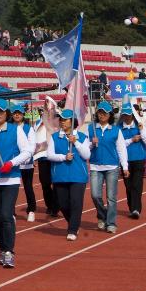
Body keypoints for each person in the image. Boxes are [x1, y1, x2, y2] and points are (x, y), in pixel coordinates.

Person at [0, 99, 30, 269]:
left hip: (10, 179)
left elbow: (27, 151)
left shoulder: (16, 130)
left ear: (7, 113)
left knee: (6, 214)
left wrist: (11, 163)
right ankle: (2, 249)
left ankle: (9, 251)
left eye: (1, 111)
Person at [49, 109, 91, 241]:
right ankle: (73, 222)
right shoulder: (54, 137)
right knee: (63, 204)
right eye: (60, 119)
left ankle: (73, 229)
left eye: (65, 119)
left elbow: (87, 155)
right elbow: (49, 155)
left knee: (76, 202)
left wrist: (76, 142)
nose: (62, 122)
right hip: (60, 176)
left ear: (72, 122)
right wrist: (63, 157)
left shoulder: (82, 137)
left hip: (78, 176)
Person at [87, 101, 123, 233]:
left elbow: (121, 149)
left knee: (111, 197)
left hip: (112, 166)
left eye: (105, 113)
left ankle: (111, 222)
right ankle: (102, 215)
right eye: (100, 112)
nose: (102, 115)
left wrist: (125, 166)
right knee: (95, 195)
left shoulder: (115, 130)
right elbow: (85, 148)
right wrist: (91, 143)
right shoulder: (91, 128)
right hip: (96, 166)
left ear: (110, 115)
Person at [117, 103, 146, 219]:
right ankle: (132, 207)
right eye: (124, 114)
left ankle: (136, 209)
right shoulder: (119, 128)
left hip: (139, 158)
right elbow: (119, 145)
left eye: (129, 114)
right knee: (128, 186)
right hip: (125, 160)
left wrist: (142, 131)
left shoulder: (139, 125)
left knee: (137, 185)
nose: (127, 117)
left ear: (132, 115)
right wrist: (131, 140)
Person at [9, 104, 38, 222]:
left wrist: (26, 158)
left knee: (27, 187)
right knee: (11, 189)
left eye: (19, 113)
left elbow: (32, 145)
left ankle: (31, 210)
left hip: (26, 164)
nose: (17, 115)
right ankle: (12, 213)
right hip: (12, 163)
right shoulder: (9, 127)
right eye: (15, 113)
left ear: (23, 115)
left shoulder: (28, 128)